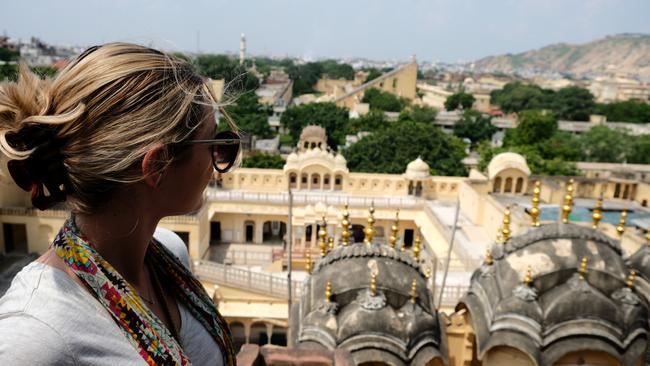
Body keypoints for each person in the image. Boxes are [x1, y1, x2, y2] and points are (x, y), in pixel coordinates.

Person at [0, 43, 241, 365]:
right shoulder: (36, 333)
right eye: (214, 144)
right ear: (157, 166)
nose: (217, 161)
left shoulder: (168, 255)